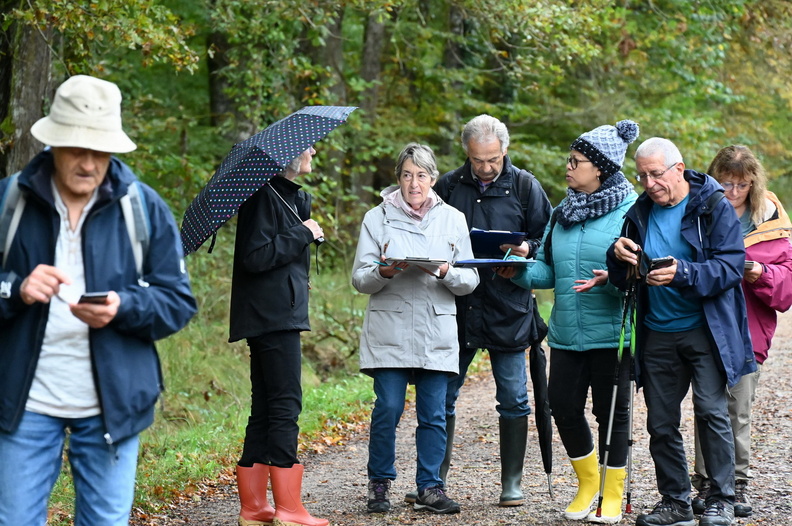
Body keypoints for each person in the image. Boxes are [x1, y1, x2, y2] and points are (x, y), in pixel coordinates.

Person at [0, 75, 197, 524]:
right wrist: (15, 289)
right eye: (76, 149)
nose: (89, 163)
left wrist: (122, 307)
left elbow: (178, 302)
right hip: (22, 403)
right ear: (52, 145)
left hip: (115, 404)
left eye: (100, 151)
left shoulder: (142, 207)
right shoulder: (10, 201)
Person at [606, 137, 755, 526]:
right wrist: (618, 255)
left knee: (711, 412)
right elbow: (623, 279)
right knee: (660, 421)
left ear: (678, 168)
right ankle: (675, 501)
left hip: (705, 329)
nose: (649, 183)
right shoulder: (639, 211)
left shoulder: (712, 205)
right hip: (657, 331)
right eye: (641, 176)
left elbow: (730, 268)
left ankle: (720, 498)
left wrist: (684, 273)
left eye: (656, 174)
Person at [498, 120, 639, 523]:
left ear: (600, 168)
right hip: (565, 334)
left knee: (613, 413)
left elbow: (636, 276)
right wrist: (518, 270)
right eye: (569, 160)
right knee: (561, 406)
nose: (568, 167)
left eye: (576, 162)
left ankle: (612, 492)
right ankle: (588, 482)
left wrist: (612, 278)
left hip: (612, 334)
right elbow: (548, 271)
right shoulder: (562, 212)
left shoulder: (631, 211)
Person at [418, 114, 551, 507]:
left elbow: (547, 239)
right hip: (457, 308)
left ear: (505, 150)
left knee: (513, 398)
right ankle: (433, 480)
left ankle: (512, 483)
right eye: (478, 160)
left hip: (508, 306)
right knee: (442, 397)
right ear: (466, 153)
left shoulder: (526, 186)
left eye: (493, 159)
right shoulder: (447, 186)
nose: (486, 167)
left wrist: (528, 250)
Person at [351, 143, 479, 515]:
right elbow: (360, 279)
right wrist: (384, 271)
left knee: (434, 414)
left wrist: (444, 271)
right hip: (389, 327)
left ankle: (430, 487)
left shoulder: (453, 218)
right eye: (407, 175)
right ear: (398, 179)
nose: (414, 183)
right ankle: (379, 484)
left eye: (421, 175)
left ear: (433, 179)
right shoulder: (376, 218)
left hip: (436, 331)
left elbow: (469, 279)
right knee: (388, 407)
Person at [229, 143, 329, 526]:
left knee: (267, 408)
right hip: (271, 317)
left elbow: (280, 253)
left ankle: (254, 508)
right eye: (308, 148)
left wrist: (303, 229)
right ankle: (289, 509)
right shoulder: (260, 197)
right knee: (286, 404)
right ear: (289, 154)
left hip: (277, 313)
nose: (314, 152)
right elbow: (254, 258)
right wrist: (301, 234)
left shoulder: (288, 195)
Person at [690, 145, 792, 518]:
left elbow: (787, 287)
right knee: (707, 404)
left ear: (754, 185)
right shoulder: (698, 212)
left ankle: (737, 483)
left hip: (748, 329)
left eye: (742, 185)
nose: (733, 192)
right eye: (726, 183)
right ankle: (705, 482)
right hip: (702, 324)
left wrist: (760, 274)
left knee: (738, 408)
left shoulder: (770, 221)